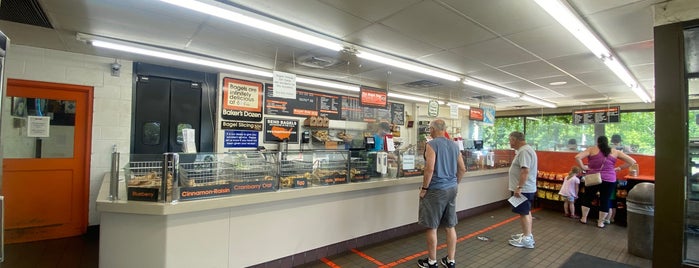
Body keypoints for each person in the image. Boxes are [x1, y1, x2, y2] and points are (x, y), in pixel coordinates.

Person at [417, 119, 466, 268]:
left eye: (429, 129)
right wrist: (454, 183)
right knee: (450, 226)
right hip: (451, 189)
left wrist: (424, 188)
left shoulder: (431, 144)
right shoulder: (454, 145)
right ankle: (450, 260)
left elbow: (429, 169)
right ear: (444, 129)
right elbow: (462, 168)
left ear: (432, 129)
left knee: (432, 226)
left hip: (436, 190)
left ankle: (432, 262)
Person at [575, 135, 637, 228]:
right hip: (609, 179)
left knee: (588, 198)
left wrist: (583, 167)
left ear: (598, 142)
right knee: (605, 200)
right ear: (608, 142)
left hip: (593, 177)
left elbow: (577, 157)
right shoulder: (615, 152)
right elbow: (632, 161)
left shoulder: (591, 149)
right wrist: (619, 168)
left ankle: (584, 218)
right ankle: (600, 222)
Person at [507, 131, 538, 249]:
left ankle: (527, 239)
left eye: (510, 140)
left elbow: (525, 171)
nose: (509, 142)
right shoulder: (525, 150)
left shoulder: (524, 151)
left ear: (515, 140)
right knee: (526, 211)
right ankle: (527, 234)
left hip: (523, 189)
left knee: (523, 213)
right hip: (526, 188)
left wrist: (519, 187)